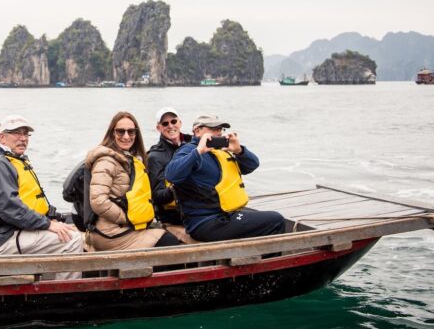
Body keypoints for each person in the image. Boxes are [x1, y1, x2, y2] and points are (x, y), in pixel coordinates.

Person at [0, 115, 84, 279]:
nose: (23, 138)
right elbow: (9, 208)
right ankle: (67, 294)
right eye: (16, 133)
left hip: (14, 231)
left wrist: (52, 221)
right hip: (2, 240)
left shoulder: (13, 160)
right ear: (2, 137)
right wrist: (46, 224)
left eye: (26, 134)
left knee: (68, 231)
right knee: (72, 240)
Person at [164, 113, 285, 242]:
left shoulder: (220, 151)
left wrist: (239, 151)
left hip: (226, 216)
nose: (218, 132)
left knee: (268, 219)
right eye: (213, 129)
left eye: (220, 129)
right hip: (205, 223)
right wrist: (198, 151)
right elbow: (172, 175)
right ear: (197, 131)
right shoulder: (189, 150)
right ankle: (269, 260)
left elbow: (252, 166)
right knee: (276, 220)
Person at [85, 111, 181, 251]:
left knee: (166, 234)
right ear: (112, 133)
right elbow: (98, 201)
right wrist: (127, 218)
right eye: (120, 131)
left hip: (123, 229)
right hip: (111, 234)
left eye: (131, 132)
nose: (126, 136)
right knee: (169, 242)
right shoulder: (106, 161)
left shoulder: (128, 159)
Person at [146, 107, 192, 240]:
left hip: (201, 206)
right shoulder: (154, 157)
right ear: (158, 128)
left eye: (173, 121)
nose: (170, 126)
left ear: (180, 123)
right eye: (165, 123)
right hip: (176, 215)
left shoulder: (194, 144)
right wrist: (177, 187)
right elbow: (157, 196)